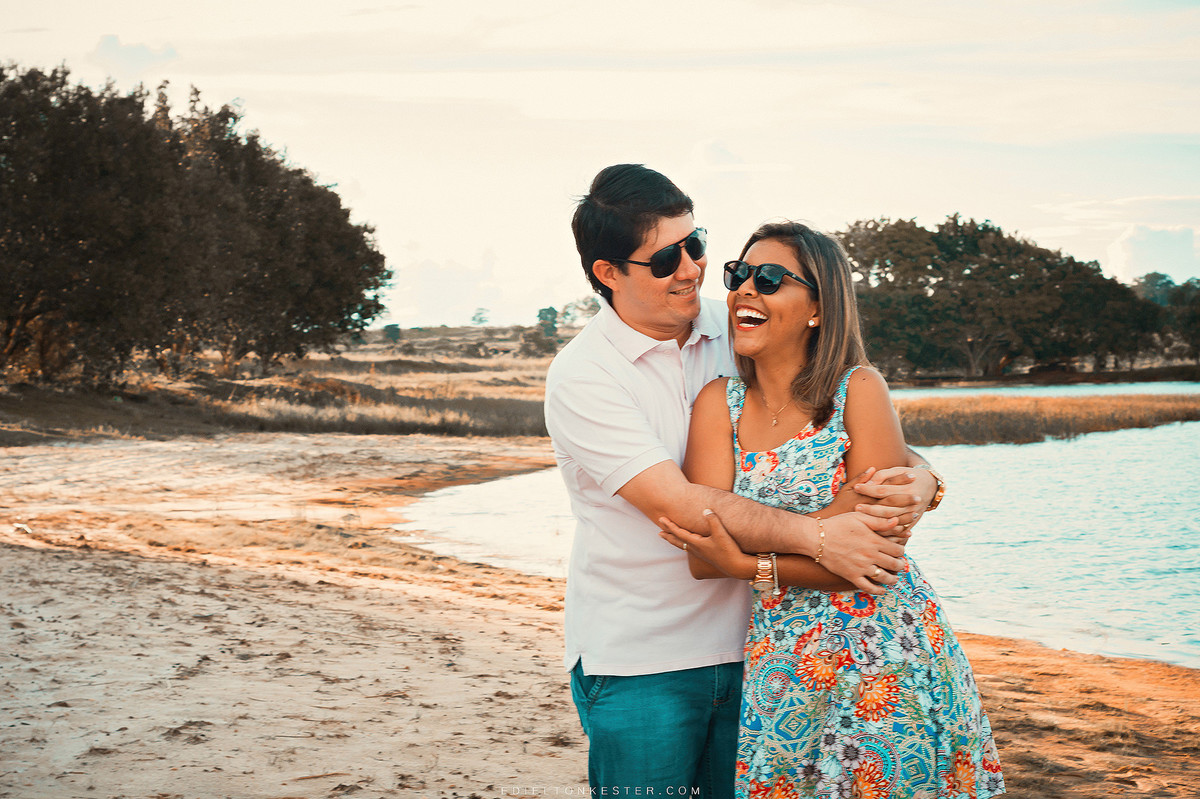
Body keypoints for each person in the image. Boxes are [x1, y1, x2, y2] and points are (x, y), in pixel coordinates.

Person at [545, 165, 941, 797]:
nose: (692, 269)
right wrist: (820, 539)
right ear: (608, 272)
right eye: (666, 258)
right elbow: (683, 506)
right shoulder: (584, 376)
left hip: (765, 649)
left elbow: (838, 423)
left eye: (696, 244)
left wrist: (924, 476)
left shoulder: (737, 326)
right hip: (644, 658)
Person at [658, 221, 1005, 798]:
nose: (746, 289)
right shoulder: (719, 402)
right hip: (783, 664)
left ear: (819, 308)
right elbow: (701, 554)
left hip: (884, 654)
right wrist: (820, 532)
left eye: (771, 278)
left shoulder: (857, 390)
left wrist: (749, 563)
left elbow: (875, 557)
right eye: (739, 274)